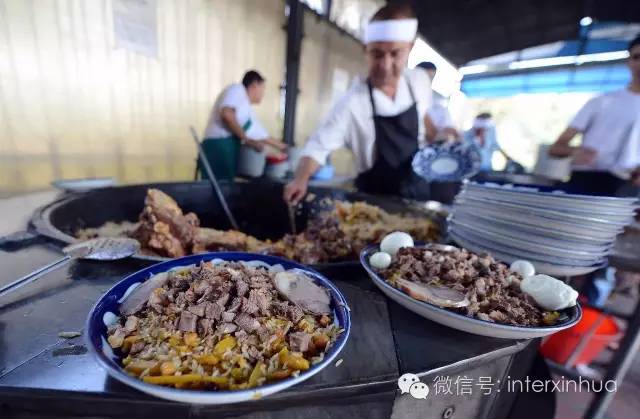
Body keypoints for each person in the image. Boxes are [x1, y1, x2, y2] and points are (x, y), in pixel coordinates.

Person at [284, 4, 432, 203]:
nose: (385, 65)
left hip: (418, 197)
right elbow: (317, 147)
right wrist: (300, 179)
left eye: (395, 53)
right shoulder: (352, 102)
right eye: (377, 54)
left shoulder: (419, 82)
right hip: (372, 205)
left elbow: (426, 121)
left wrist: (443, 134)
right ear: (366, 50)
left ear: (410, 48)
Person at [549, 34, 640, 196]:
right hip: (587, 181)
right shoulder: (600, 102)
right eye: (636, 57)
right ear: (628, 62)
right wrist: (575, 152)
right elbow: (555, 148)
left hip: (629, 186)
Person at [201, 70, 286, 180]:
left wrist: (284, 148)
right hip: (218, 148)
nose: (263, 93)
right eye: (263, 88)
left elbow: (260, 134)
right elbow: (227, 114)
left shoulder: (245, 106)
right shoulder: (237, 90)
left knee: (224, 186)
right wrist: (247, 140)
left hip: (227, 148)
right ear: (254, 85)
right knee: (217, 187)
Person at [417, 61, 459, 142]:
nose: (427, 81)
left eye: (431, 77)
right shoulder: (401, 98)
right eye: (423, 77)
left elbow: (450, 132)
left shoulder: (438, 104)